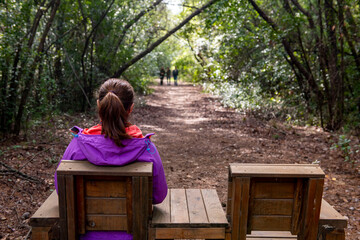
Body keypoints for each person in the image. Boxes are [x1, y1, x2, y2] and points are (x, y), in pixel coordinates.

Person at [54, 79, 168, 240]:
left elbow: (61, 191)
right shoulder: (146, 149)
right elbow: (159, 196)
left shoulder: (77, 146)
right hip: (135, 235)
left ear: (99, 106)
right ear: (131, 108)